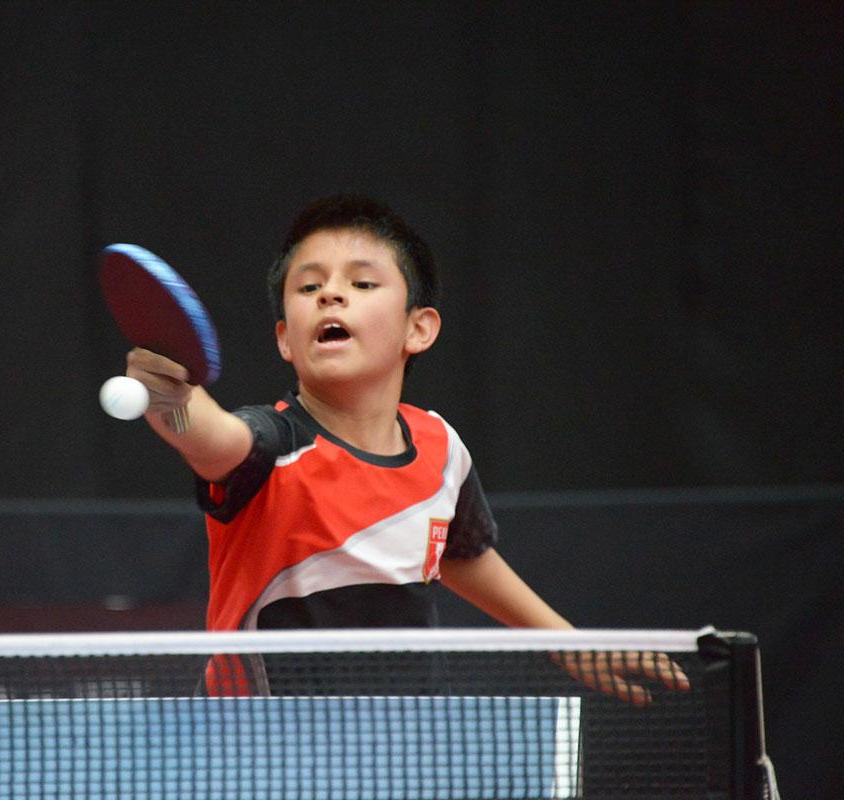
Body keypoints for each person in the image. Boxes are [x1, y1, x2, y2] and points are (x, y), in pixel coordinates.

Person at [125, 194, 686, 702]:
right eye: (309, 287)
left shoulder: (441, 449)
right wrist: (172, 399)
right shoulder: (272, 447)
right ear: (284, 339)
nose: (331, 294)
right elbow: (212, 437)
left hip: (405, 742)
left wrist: (567, 643)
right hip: (263, 753)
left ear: (419, 329)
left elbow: (459, 554)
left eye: (363, 284)